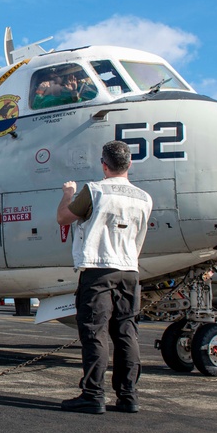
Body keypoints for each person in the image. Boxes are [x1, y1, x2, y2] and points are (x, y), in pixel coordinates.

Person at [56, 140, 152, 414]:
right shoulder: (144, 198)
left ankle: (93, 394)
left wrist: (68, 194)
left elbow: (63, 218)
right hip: (130, 270)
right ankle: (128, 395)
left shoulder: (95, 191)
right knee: (126, 334)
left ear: (103, 164)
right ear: (129, 164)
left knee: (95, 332)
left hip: (98, 269)